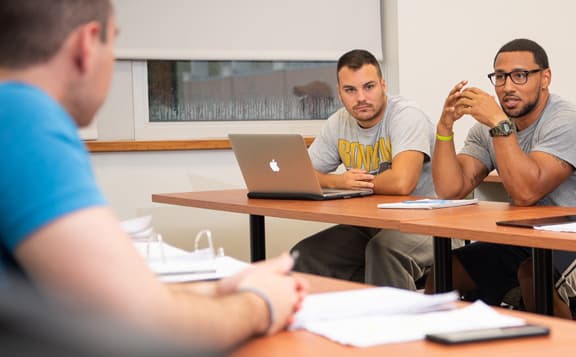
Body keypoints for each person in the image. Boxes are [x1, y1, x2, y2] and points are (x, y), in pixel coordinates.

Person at [0, 0, 307, 349]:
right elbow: (135, 323)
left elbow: (88, 293)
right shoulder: (23, 118)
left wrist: (217, 289)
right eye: (114, 43)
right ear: (87, 45)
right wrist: (260, 304)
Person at [429, 38, 576, 318]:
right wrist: (445, 127)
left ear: (545, 78)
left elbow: (526, 193)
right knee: (446, 269)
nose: (507, 87)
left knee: (534, 275)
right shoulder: (490, 128)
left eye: (520, 75)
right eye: (500, 77)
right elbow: (450, 190)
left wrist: (498, 123)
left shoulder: (566, 121)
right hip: (535, 239)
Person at [291, 49, 441, 290]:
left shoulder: (406, 115)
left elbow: (402, 182)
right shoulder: (338, 122)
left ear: (383, 85)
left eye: (369, 87)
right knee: (305, 255)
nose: (361, 97)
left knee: (383, 251)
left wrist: (351, 183)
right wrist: (339, 182)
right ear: (340, 93)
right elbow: (301, 175)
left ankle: (398, 325)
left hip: (429, 221)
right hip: (372, 223)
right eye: (350, 90)